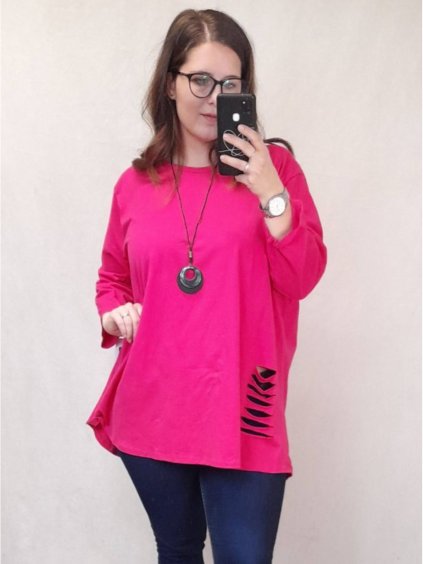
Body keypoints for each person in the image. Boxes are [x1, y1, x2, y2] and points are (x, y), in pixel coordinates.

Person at [87, 8, 327, 564]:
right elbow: (111, 278)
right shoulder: (134, 185)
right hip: (153, 406)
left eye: (231, 84)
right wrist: (113, 311)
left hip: (245, 408)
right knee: (177, 550)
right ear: (170, 83)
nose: (215, 97)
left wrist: (270, 192)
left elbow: (303, 276)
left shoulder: (276, 171)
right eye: (200, 80)